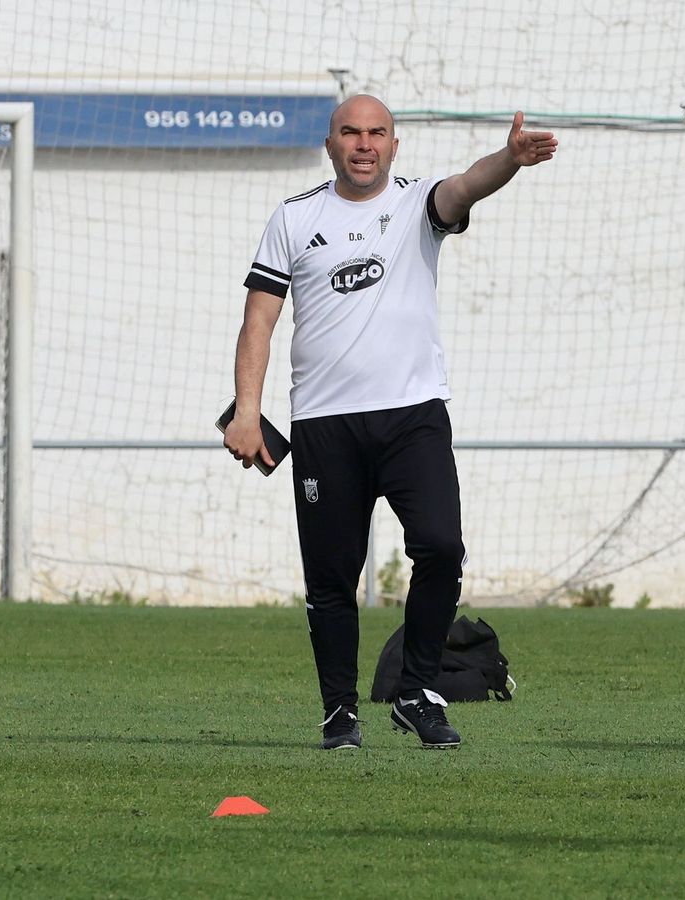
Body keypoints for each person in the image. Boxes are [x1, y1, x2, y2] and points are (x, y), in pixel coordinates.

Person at [224, 95, 556, 751]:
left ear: (394, 145)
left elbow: (467, 186)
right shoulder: (294, 217)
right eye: (351, 132)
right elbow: (259, 318)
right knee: (331, 579)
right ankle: (339, 713)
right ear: (331, 144)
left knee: (440, 547)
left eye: (377, 133)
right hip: (325, 424)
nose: (364, 144)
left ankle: (417, 692)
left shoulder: (418, 204)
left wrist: (510, 159)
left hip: (413, 418)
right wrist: (246, 410)